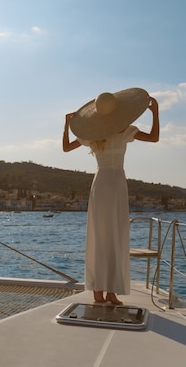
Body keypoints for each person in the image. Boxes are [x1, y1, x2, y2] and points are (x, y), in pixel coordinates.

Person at [63, 87, 160, 305]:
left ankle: (106, 292)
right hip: (115, 182)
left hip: (103, 183)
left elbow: (66, 146)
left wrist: (67, 125)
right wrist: (155, 112)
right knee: (113, 235)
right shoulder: (124, 130)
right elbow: (154, 137)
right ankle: (107, 292)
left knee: (103, 236)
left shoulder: (94, 135)